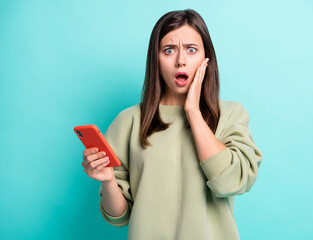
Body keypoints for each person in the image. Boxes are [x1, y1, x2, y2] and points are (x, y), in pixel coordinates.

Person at [81, 9, 263, 240]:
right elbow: (119, 216)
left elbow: (231, 182)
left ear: (206, 59)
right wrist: (108, 181)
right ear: (155, 59)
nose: (181, 60)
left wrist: (193, 112)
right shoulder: (128, 121)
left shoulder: (230, 114)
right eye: (169, 50)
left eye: (191, 49)